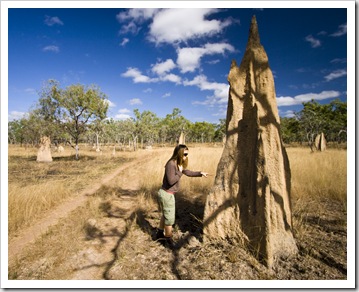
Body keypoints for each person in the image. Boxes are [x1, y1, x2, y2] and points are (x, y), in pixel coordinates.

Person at [156, 144, 208, 248]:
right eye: (185, 154)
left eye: (187, 154)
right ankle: (168, 240)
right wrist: (179, 172)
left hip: (167, 194)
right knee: (170, 219)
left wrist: (200, 173)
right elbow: (171, 181)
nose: (186, 156)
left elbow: (187, 172)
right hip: (167, 194)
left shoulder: (178, 163)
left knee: (165, 215)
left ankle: (159, 234)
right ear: (179, 153)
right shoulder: (171, 164)